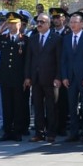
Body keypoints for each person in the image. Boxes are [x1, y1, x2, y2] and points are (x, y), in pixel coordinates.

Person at [60, 11, 83, 143]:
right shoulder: (66, 38)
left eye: (76, 22)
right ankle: (73, 132)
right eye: (71, 22)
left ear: (82, 24)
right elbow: (63, 60)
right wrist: (64, 76)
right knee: (72, 106)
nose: (73, 24)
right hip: (70, 78)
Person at [25, 12, 61, 142]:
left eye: (42, 22)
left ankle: (51, 132)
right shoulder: (33, 38)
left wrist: (58, 77)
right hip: (36, 78)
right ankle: (39, 132)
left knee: (51, 107)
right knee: (38, 107)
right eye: (38, 22)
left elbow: (59, 60)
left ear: (49, 24)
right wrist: (28, 76)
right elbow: (29, 59)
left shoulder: (56, 38)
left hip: (51, 79)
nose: (39, 24)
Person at [0, 12, 29, 141]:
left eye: (14, 24)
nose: (11, 26)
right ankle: (7, 131)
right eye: (10, 23)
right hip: (5, 77)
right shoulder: (3, 38)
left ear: (19, 25)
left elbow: (27, 60)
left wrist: (26, 77)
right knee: (6, 105)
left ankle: (17, 131)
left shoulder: (24, 39)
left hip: (18, 78)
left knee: (18, 105)